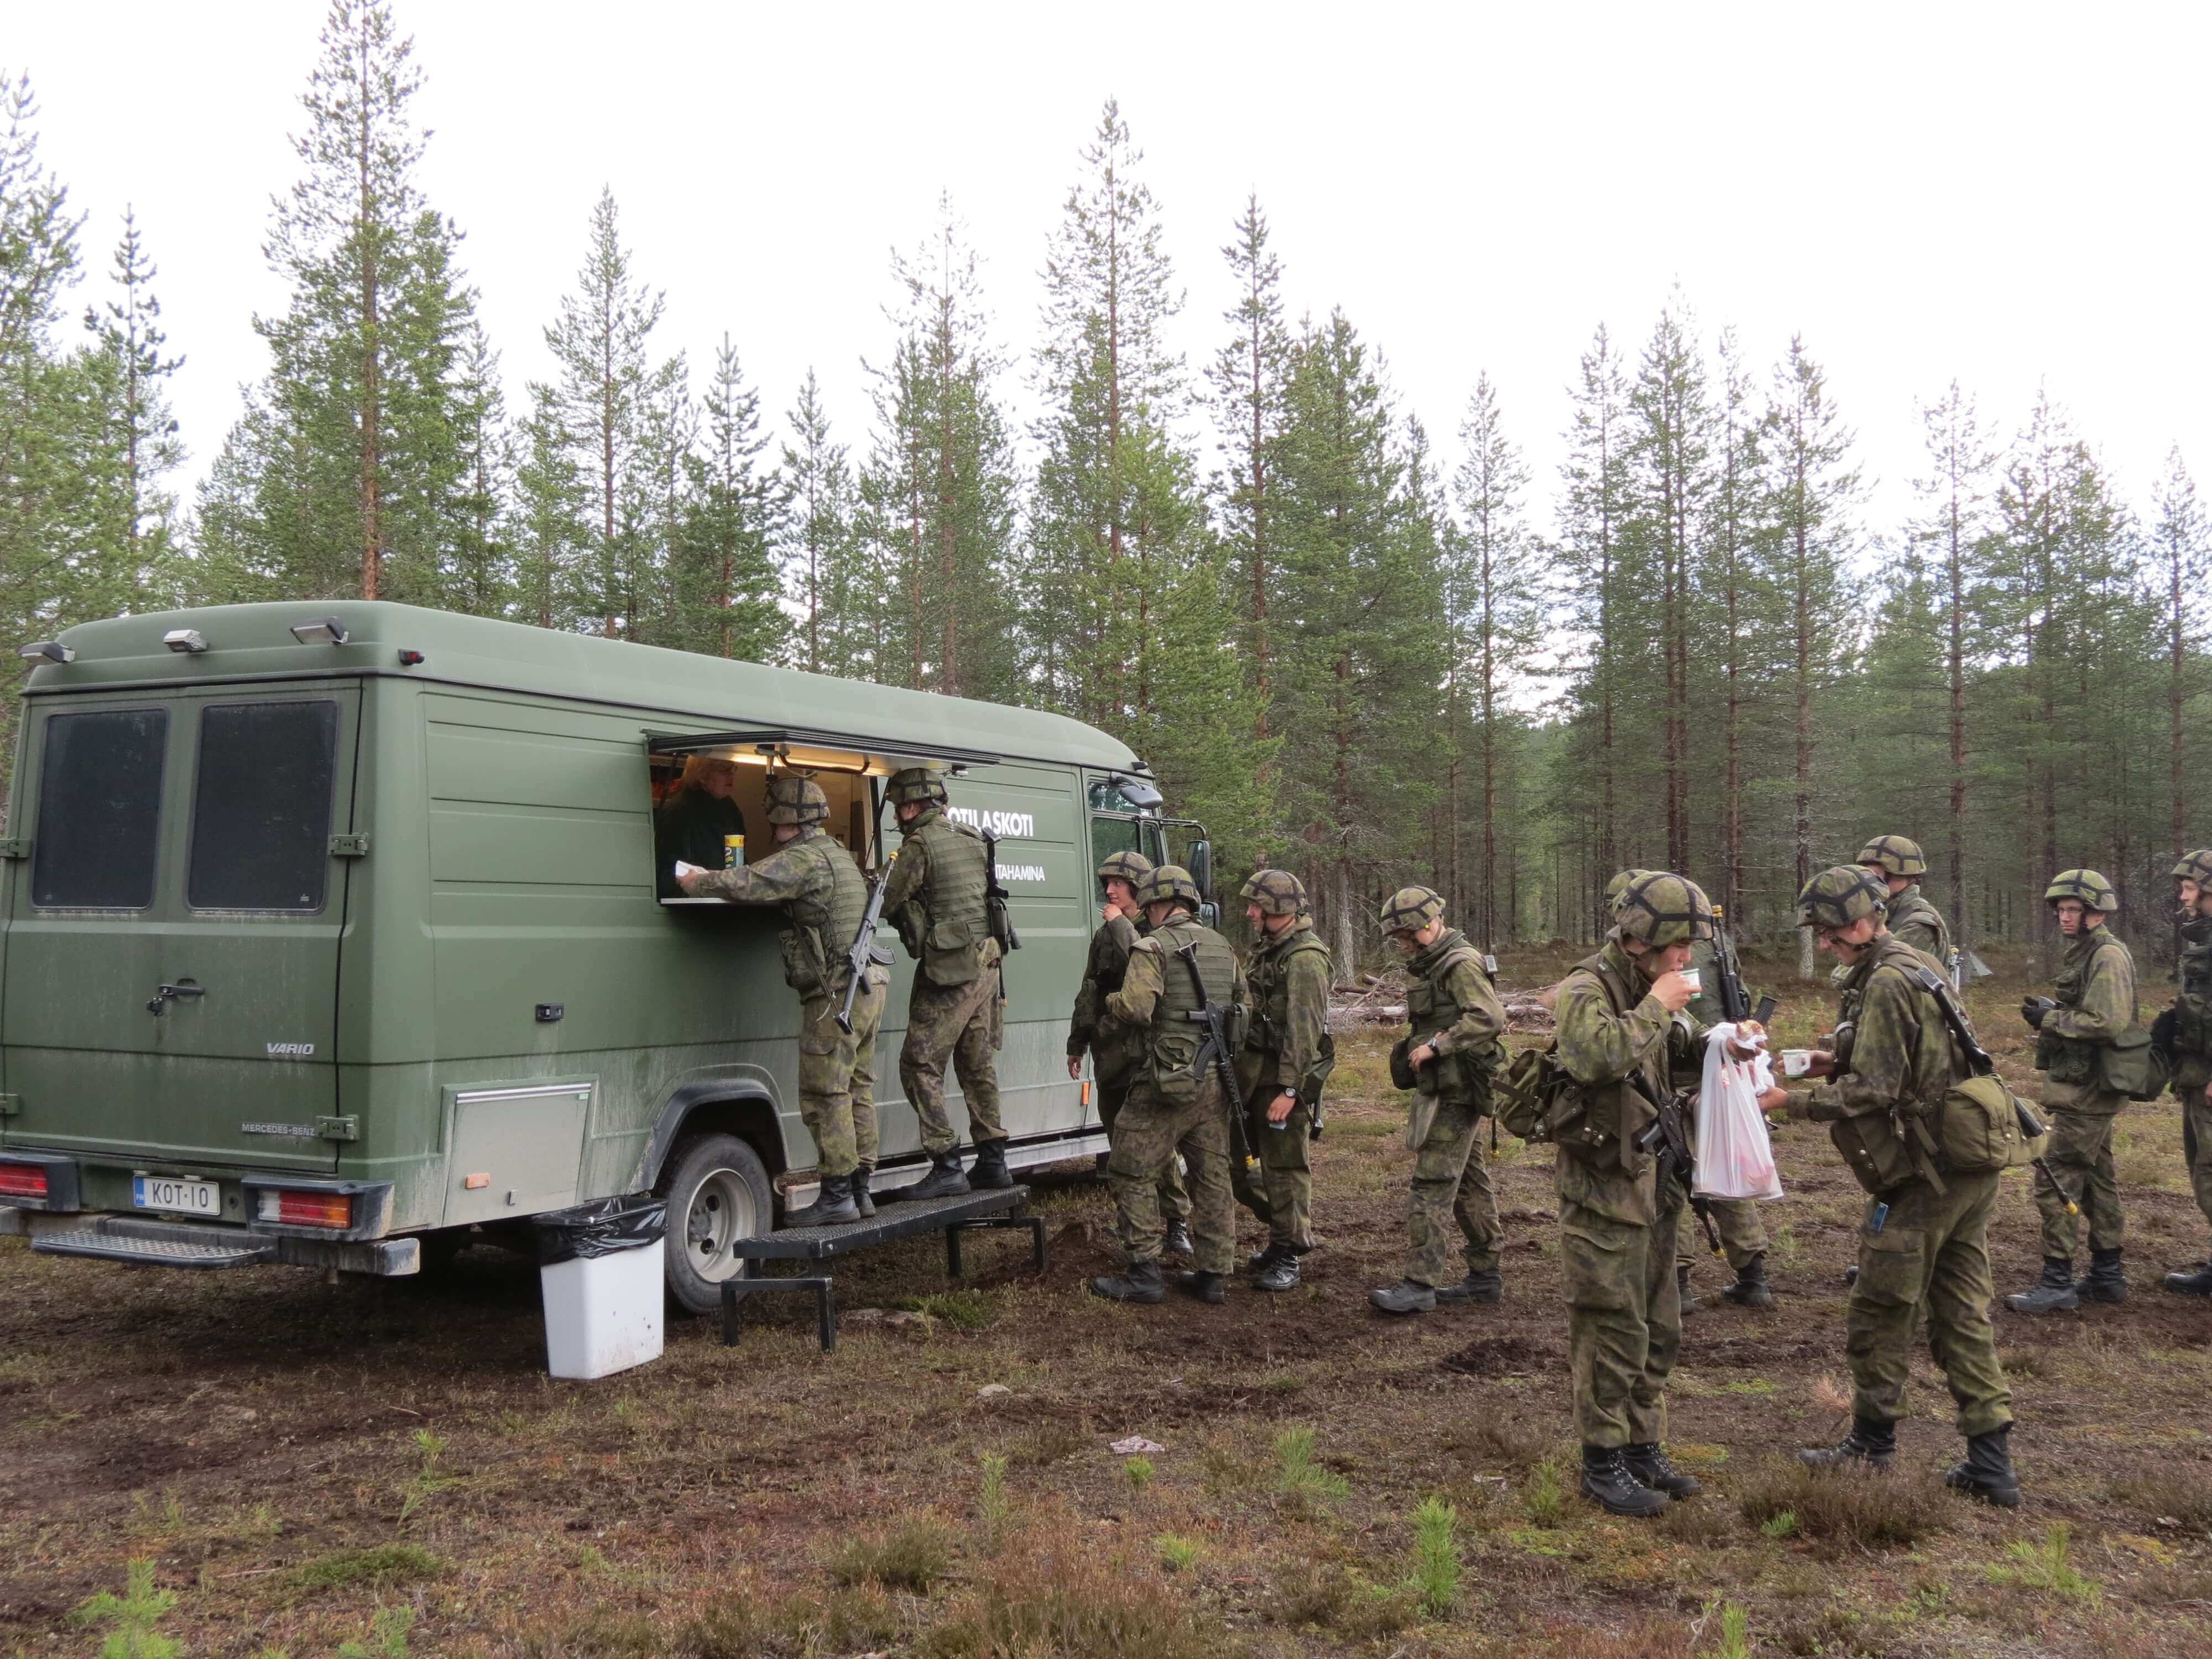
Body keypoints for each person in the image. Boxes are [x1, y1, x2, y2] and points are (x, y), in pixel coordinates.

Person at [1788, 866, 2019, 1506]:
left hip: (1926, 1174)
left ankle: (1872, 1445)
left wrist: (1793, 1101)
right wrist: (1833, 1060)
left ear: (1863, 923)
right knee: (1963, 1314)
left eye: (1832, 934)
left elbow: (1877, 1090)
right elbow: (1918, 1055)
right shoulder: (1918, 963)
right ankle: (1991, 1463)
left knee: (1882, 1308)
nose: (1828, 944)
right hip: (1967, 1168)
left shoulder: (1888, 979)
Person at [1551, 872, 1760, 1517]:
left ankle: (1644, 1445)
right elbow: (1593, 1058)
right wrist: (1660, 1005)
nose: (1686, 959)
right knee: (1610, 1324)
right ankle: (1602, 1460)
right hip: (1604, 1188)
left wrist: (1727, 1043)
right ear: (1641, 939)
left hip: (1658, 1180)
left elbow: (1678, 1054)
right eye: (1677, 945)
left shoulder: (1651, 990)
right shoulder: (1588, 989)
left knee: (1659, 1322)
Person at [677, 775, 887, 1226]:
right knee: (857, 1089)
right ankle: (860, 1190)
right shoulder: (835, 855)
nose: (772, 830)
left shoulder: (805, 859)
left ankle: (836, 1197)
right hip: (869, 985)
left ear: (789, 820)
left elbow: (750, 881)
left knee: (825, 1093)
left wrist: (697, 880)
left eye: (776, 821)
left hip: (837, 993)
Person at [1089, 865, 1245, 1306]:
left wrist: (1112, 1001)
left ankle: (1144, 1272)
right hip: (1215, 1077)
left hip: (1165, 1079)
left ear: (1156, 905)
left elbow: (1137, 1008)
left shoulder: (1152, 945)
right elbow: (1243, 1008)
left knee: (1129, 1169)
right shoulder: (1222, 946)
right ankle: (1213, 1275)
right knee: (1212, 1176)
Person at [1369, 886, 1509, 1315]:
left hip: (1458, 1089)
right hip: (1451, 1086)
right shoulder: (1437, 963)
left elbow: (1489, 1016)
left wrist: (1438, 1045)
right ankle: (1485, 1275)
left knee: (1432, 1183)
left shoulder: (1459, 963)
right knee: (1468, 1181)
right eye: (1399, 939)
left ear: (1429, 925)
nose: (1404, 945)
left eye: (1407, 936)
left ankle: (1419, 1283)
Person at [2007, 868, 2139, 1313]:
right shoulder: (2087, 952)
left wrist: (2050, 1019)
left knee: (2056, 1180)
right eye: (2061, 910)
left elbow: (2107, 1022)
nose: (2064, 917)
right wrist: (2057, 1011)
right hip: (2087, 1088)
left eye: (2073, 910)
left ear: (2095, 913)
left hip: (2089, 1090)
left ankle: (2057, 1281)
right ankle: (2107, 1276)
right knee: (2099, 1182)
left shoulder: (2107, 957)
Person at [878, 767, 1011, 1200]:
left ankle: (946, 1163)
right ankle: (992, 1161)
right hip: (988, 963)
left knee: (918, 1064)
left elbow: (886, 897)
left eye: (900, 808)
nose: (899, 816)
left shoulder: (920, 845)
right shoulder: (973, 837)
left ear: (912, 806)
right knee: (976, 1064)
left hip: (951, 970)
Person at [1068, 850, 1192, 1256]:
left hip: (1143, 1058)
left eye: (1118, 883)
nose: (1109, 890)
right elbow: (1089, 989)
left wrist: (1121, 924)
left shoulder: (1148, 932)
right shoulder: (1107, 932)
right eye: (1108, 883)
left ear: (1140, 889)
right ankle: (1132, 1223)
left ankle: (1177, 1224)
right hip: (1110, 1056)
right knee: (1117, 1146)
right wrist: (1077, 1042)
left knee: (1156, 1147)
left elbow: (1143, 962)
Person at [1233, 869, 1335, 1292]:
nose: (1250, 912)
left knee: (1286, 1168)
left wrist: (1292, 1090)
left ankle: (1290, 1252)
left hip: (1282, 1082)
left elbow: (1305, 1031)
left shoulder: (1305, 958)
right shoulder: (1270, 949)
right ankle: (1283, 1236)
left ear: (1281, 910)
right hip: (1255, 1077)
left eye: (1257, 905)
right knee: (1239, 1166)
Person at [1680, 923, 1787, 1313]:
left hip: (1685, 1068)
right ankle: (1752, 1277)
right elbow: (1737, 995)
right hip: (1726, 1060)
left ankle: (1677, 1285)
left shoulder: (1662, 943)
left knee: (1672, 1175)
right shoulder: (1717, 937)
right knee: (1729, 1164)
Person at [2162, 850, 2212, 1296]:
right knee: (2202, 1171)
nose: (2184, 895)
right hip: (2197, 1073)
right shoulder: (2204, 938)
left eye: (2190, 887)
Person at [656, 756, 749, 897]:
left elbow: (739, 858)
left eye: (733, 769)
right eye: (724, 770)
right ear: (702, 775)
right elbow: (669, 870)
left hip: (725, 895)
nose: (731, 775)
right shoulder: (679, 811)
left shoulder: (730, 808)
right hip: (693, 901)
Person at [1855, 836, 1955, 964]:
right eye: (1864, 875)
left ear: (1899, 876)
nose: (1868, 881)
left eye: (1875, 875)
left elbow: (1887, 974)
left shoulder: (1919, 924)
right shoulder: (1883, 912)